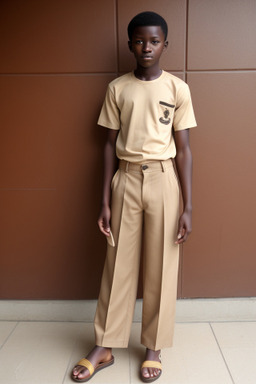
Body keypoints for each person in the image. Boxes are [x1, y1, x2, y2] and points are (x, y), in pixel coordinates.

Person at [72, 11, 197, 383]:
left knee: (162, 265)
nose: (147, 47)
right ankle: (106, 344)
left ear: (165, 45)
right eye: (140, 41)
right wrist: (105, 200)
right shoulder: (118, 88)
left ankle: (154, 347)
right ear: (130, 45)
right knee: (118, 265)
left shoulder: (178, 88)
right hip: (125, 179)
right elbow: (108, 146)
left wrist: (189, 205)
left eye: (154, 41)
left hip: (164, 179)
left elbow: (185, 150)